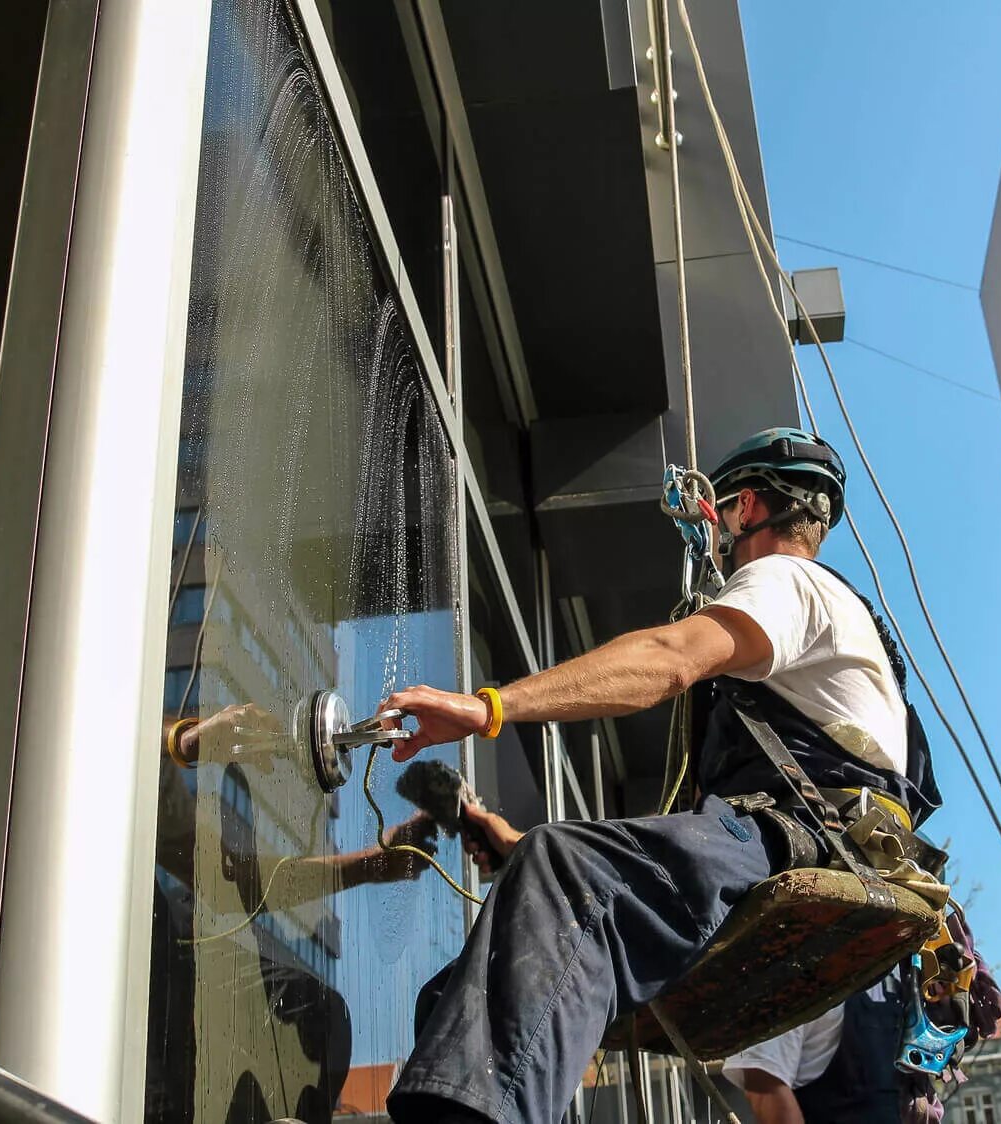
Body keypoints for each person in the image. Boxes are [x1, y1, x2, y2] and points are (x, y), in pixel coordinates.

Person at [379, 428, 925, 1124]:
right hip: (792, 845)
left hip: (789, 840)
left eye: (720, 512)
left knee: (566, 870)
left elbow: (669, 658)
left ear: (746, 507)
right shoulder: (837, 638)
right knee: (456, 994)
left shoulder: (786, 581)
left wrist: (486, 708)